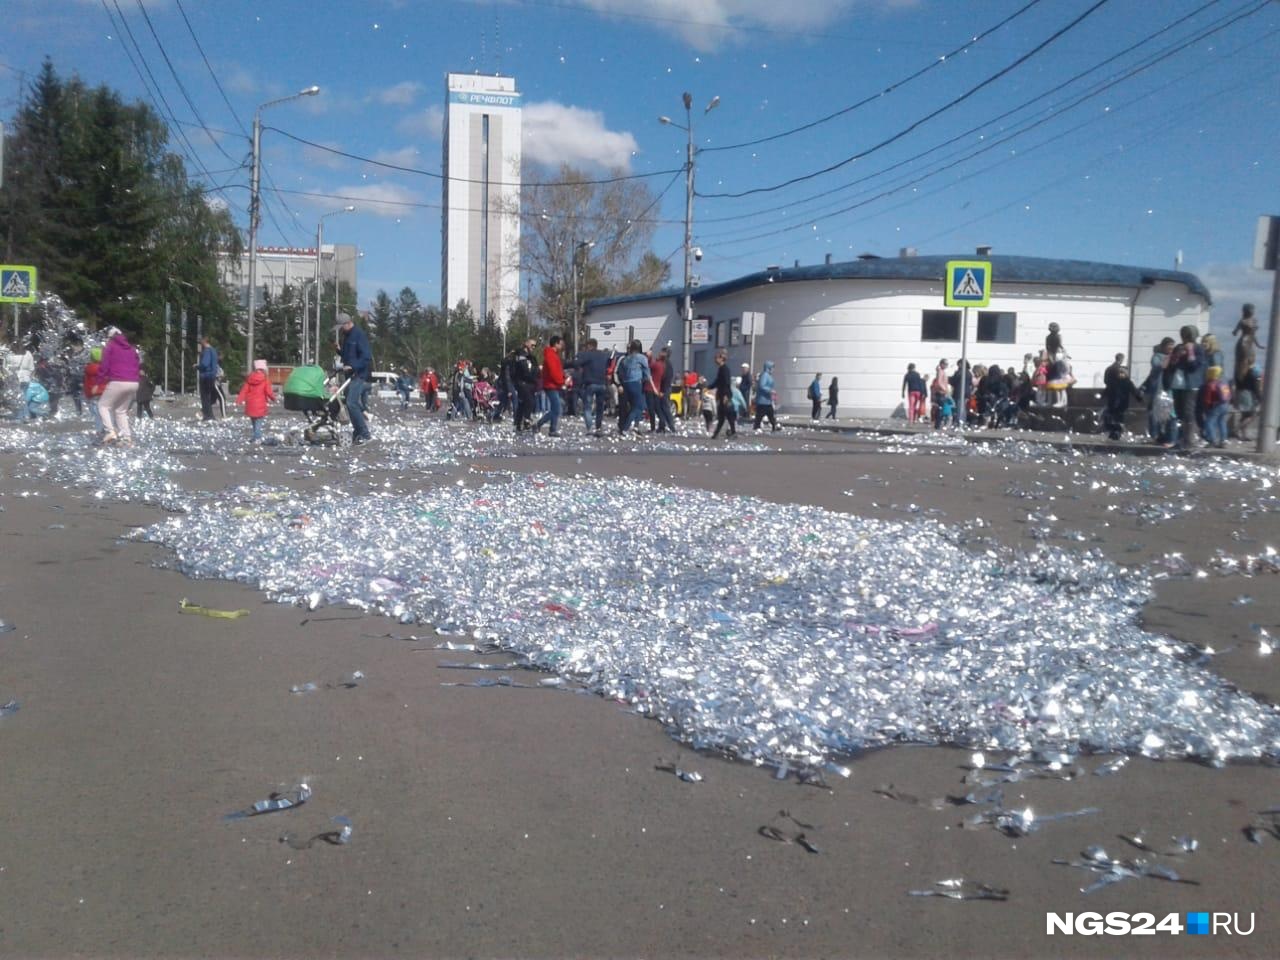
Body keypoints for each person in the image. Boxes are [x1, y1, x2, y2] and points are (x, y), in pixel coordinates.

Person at [96, 326, 141, 445]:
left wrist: (99, 382)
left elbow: (104, 366)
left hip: (118, 381)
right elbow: (137, 364)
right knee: (121, 410)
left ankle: (110, 431)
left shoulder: (110, 346)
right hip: (133, 382)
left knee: (103, 406)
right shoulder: (131, 348)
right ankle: (127, 437)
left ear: (110, 337)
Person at [337, 312, 373, 445]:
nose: (340, 330)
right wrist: (339, 351)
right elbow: (348, 355)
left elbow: (366, 357)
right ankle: (357, 432)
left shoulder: (359, 335)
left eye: (341, 327)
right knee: (349, 403)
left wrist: (352, 366)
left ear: (347, 323)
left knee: (352, 403)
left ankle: (365, 434)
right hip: (348, 375)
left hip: (358, 374)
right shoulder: (346, 336)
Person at [616, 339, 657, 435]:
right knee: (638, 407)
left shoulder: (626, 359)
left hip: (625, 384)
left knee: (631, 406)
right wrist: (653, 387)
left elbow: (620, 372)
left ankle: (629, 427)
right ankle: (626, 428)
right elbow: (647, 374)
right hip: (636, 383)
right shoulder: (642, 358)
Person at [570, 338, 610, 436]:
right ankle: (598, 428)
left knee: (587, 407)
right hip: (602, 384)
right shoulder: (604, 355)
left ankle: (589, 428)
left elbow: (576, 363)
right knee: (600, 408)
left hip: (590, 383)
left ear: (590, 346)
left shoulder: (587, 354)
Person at [235, 359, 277, 442]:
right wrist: (273, 398)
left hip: (250, 404)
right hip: (260, 404)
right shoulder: (265, 379)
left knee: (254, 420)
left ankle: (255, 436)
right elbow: (268, 391)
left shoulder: (249, 379)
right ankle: (257, 437)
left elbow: (244, 390)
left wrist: (239, 400)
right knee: (259, 421)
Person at [534, 335, 566, 436]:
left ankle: (551, 428)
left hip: (553, 384)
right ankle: (542, 425)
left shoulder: (552, 355)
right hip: (551, 385)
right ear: (556, 344)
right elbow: (553, 371)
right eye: (560, 344)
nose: (562, 346)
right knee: (556, 409)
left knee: (555, 408)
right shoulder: (551, 355)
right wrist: (561, 381)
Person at [1200, 365, 1232, 449]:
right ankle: (1223, 440)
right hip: (1225, 405)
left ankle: (1212, 440)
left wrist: (1206, 407)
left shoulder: (1210, 385)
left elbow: (1207, 399)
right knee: (1222, 422)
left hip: (1215, 406)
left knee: (1209, 422)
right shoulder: (1223, 383)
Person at [710, 351, 738, 439]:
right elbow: (718, 382)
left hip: (725, 395)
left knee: (728, 415)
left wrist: (726, 395)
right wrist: (709, 387)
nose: (715, 360)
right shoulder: (721, 369)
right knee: (722, 416)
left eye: (717, 358)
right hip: (722, 395)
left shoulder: (725, 369)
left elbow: (726, 382)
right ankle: (716, 434)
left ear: (721, 359)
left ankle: (733, 432)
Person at [512, 339, 538, 432]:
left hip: (530, 383)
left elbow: (535, 369)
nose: (533, 347)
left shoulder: (531, 357)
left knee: (522, 404)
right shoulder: (520, 356)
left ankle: (518, 423)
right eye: (532, 345)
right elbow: (524, 371)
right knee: (530, 401)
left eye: (535, 346)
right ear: (526, 344)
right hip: (522, 382)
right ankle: (526, 420)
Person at [752, 361, 780, 432]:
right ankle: (757, 426)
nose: (773, 370)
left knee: (769, 414)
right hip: (763, 400)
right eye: (772, 368)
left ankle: (773, 425)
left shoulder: (768, 375)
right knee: (761, 415)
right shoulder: (765, 375)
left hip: (767, 399)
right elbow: (762, 386)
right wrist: (770, 391)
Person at [84, 346, 105, 437]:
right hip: (105, 393)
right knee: (105, 411)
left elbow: (87, 384)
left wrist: (87, 395)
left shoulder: (88, 368)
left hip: (94, 394)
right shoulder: (105, 368)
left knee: (96, 413)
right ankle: (107, 428)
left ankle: (99, 430)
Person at [197, 336, 218, 421]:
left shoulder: (207, 351)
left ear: (205, 340)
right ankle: (210, 415)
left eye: (201, 340)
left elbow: (205, 364)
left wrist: (198, 366)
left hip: (206, 376)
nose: (200, 342)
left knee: (205, 397)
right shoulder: (213, 350)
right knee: (208, 396)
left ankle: (208, 416)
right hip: (212, 375)